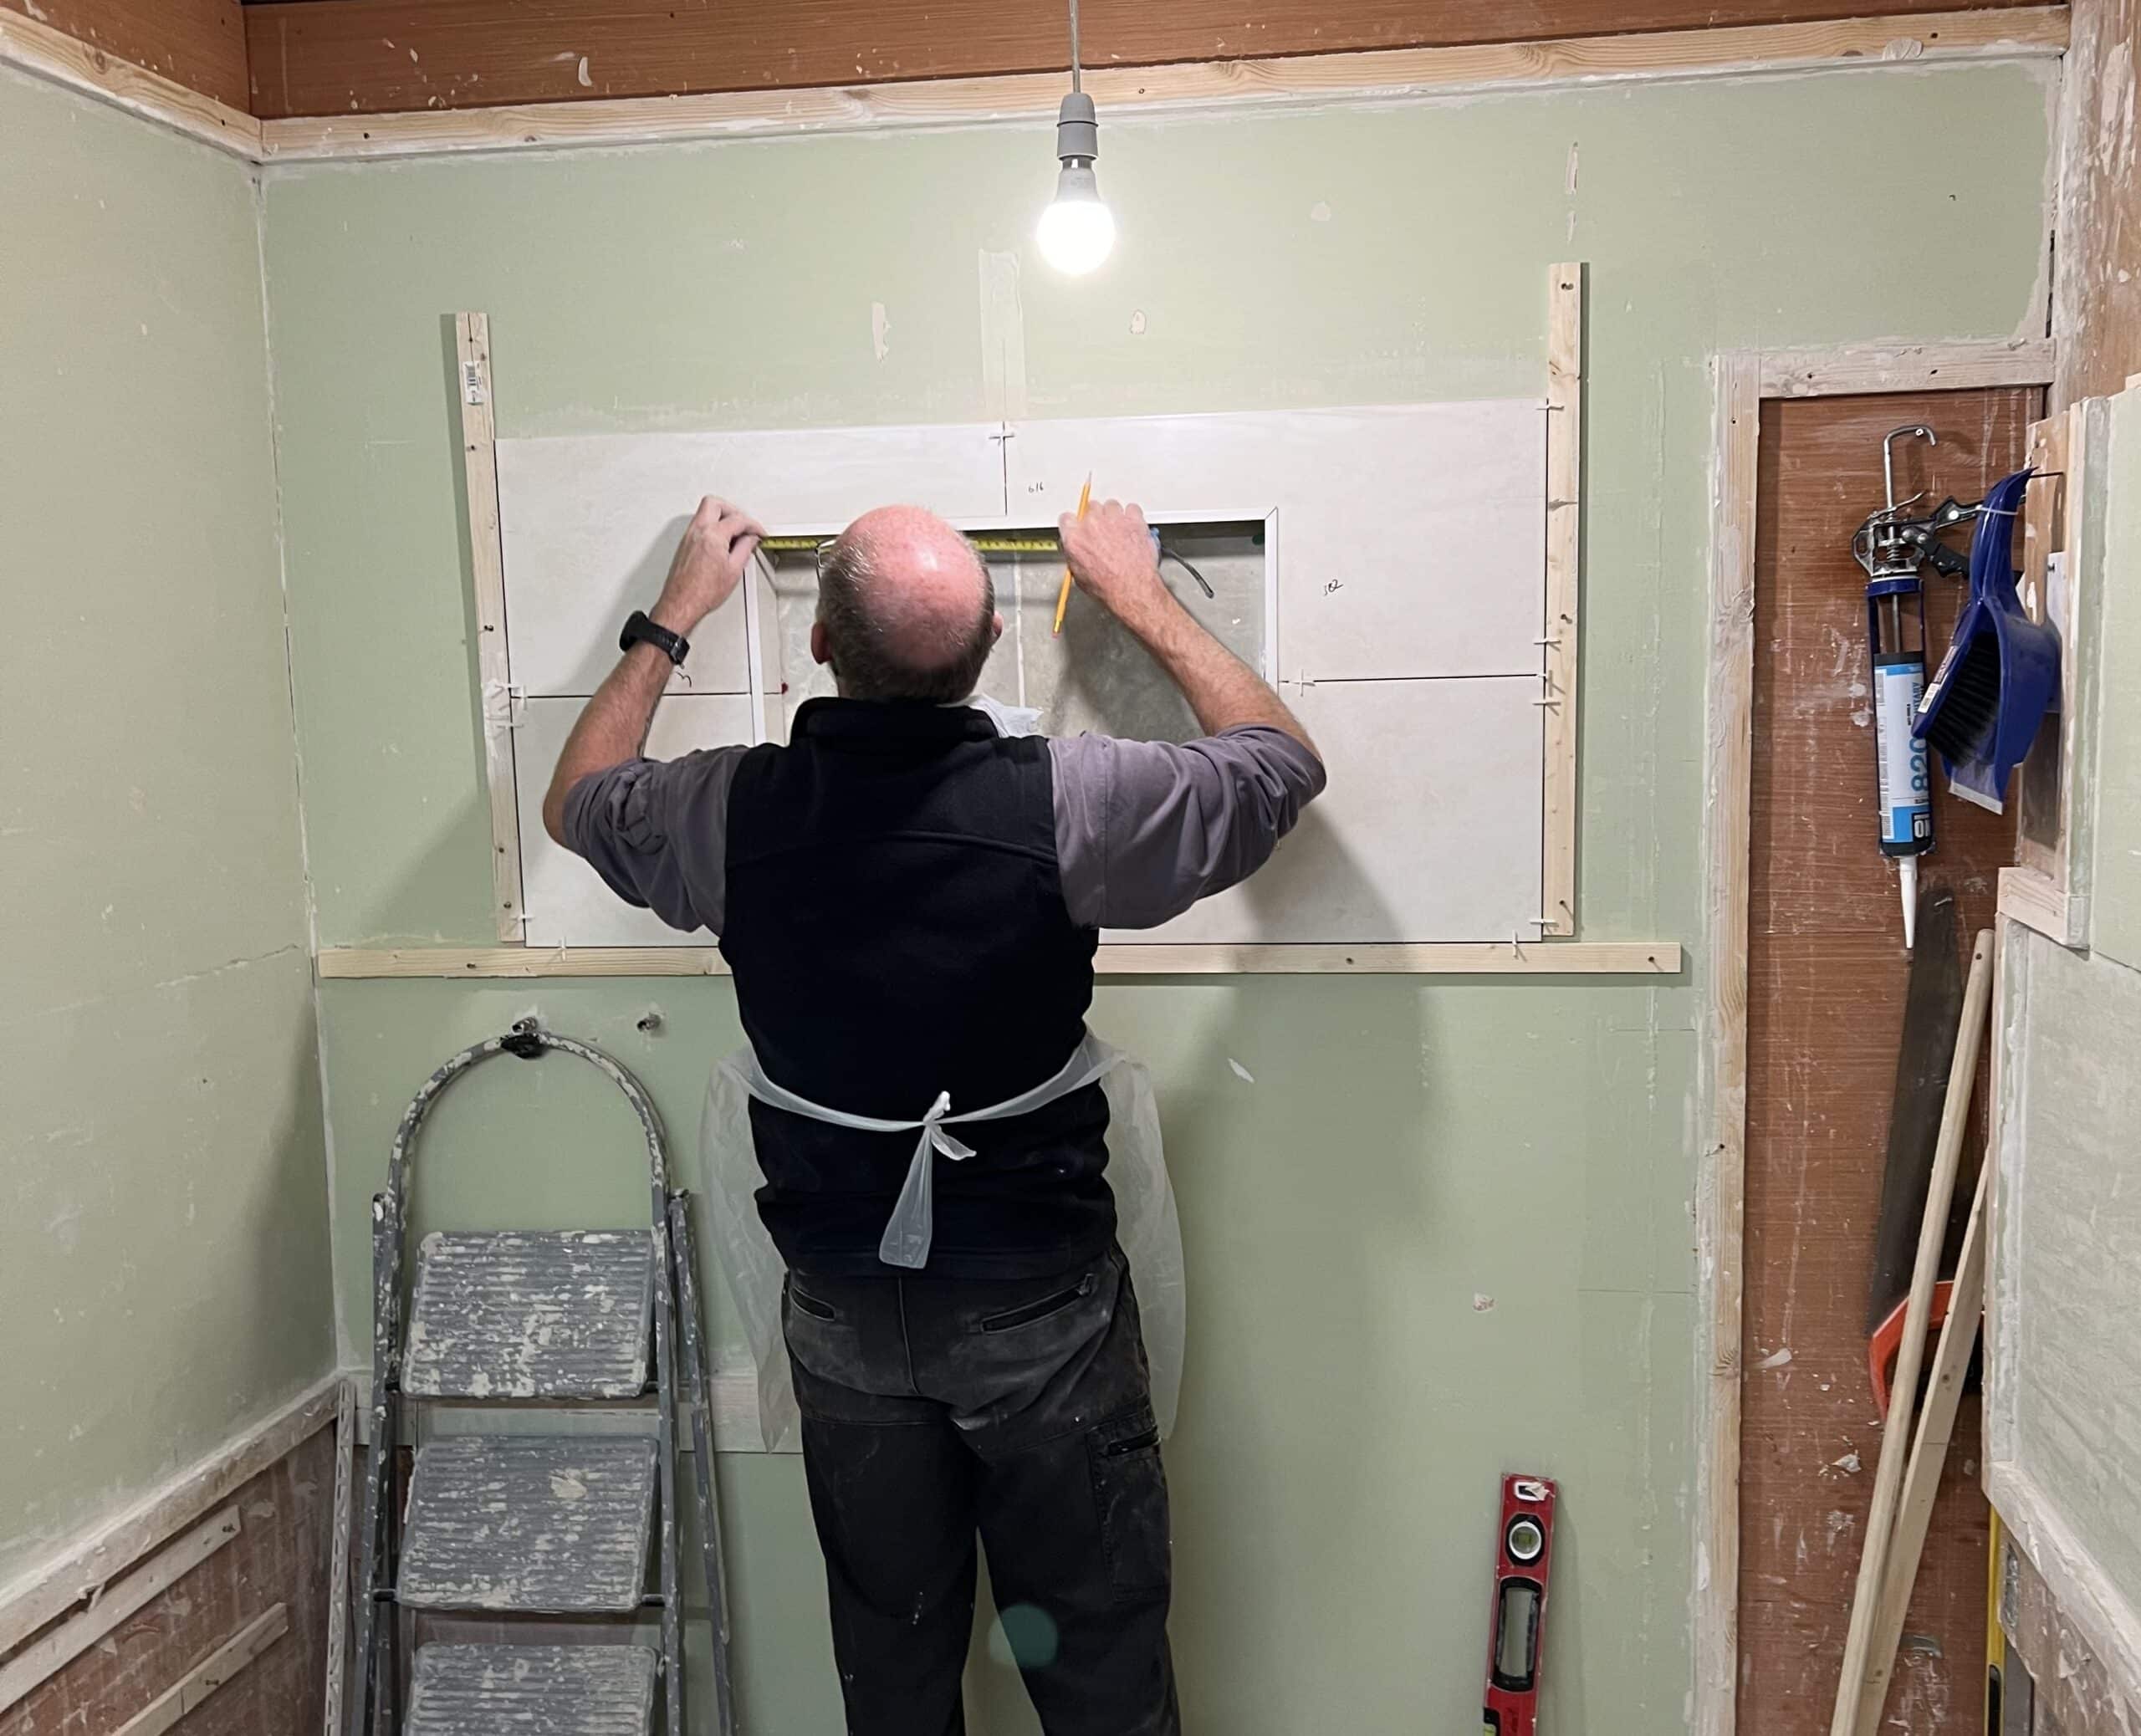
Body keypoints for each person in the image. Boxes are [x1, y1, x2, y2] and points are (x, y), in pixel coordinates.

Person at [545, 494, 1325, 1736]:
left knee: (895, 1675)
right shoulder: (1069, 803)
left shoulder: (727, 811)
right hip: (1040, 1312)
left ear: (820, 649)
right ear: (984, 658)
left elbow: (578, 795)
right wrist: (1137, 591)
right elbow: (1279, 765)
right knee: (1099, 1669)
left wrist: (675, 614)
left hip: (844, 1317)